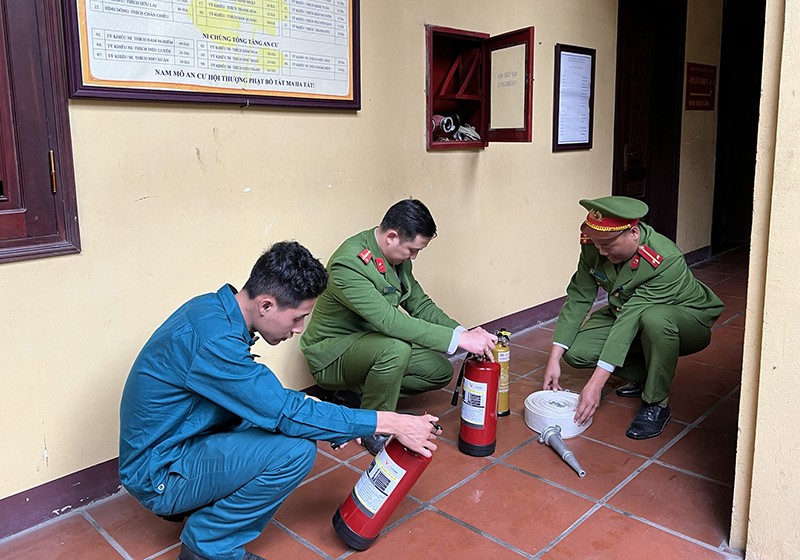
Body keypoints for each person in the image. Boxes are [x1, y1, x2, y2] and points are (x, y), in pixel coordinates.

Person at [119, 241, 442, 560]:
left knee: (295, 426)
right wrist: (393, 421)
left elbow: (267, 403)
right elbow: (284, 410)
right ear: (266, 305)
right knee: (295, 451)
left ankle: (205, 512)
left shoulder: (214, 310)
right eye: (297, 318)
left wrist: (338, 424)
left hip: (183, 439)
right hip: (160, 473)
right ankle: (208, 548)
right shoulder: (214, 342)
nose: (300, 329)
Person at [300, 199, 497, 454]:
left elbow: (420, 304)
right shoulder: (348, 264)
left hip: (372, 344)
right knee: (396, 349)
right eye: (412, 249)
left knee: (439, 371)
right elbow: (389, 321)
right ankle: (373, 428)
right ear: (392, 236)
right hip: (334, 356)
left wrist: (462, 333)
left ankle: (357, 399)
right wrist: (457, 341)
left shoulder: (397, 260)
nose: (413, 256)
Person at [543, 196, 725, 439]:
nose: (602, 252)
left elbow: (632, 315)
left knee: (655, 320)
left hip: (686, 320)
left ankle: (656, 403)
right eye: (598, 245)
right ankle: (646, 374)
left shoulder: (664, 260)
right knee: (577, 352)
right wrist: (554, 358)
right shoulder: (596, 244)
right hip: (629, 313)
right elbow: (579, 295)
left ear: (634, 233)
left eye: (608, 245)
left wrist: (595, 384)